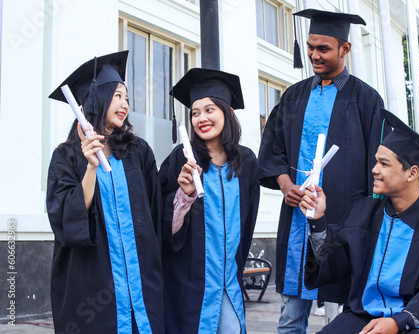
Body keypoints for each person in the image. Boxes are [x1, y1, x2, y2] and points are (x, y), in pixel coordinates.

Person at [258, 9, 388, 333]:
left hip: (343, 223)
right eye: (311, 46)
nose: (314, 54)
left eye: (323, 48)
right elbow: (273, 150)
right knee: (290, 317)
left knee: (342, 316)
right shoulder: (293, 97)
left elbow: (379, 167)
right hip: (297, 222)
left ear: (345, 48)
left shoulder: (367, 100)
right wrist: (286, 184)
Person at [300, 109, 419, 333]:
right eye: (376, 162)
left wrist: (398, 321)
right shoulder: (363, 212)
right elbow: (337, 265)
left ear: (412, 173)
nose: (374, 169)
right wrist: (318, 221)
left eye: (384, 164)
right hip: (364, 315)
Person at [46, 51, 164, 333]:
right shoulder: (66, 157)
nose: (125, 104)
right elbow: (66, 220)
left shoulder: (138, 152)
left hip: (141, 287)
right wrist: (90, 168)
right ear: (96, 99)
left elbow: (154, 214)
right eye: (117, 96)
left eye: (126, 97)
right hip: (93, 293)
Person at [159, 68, 260, 334]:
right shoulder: (181, 159)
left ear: (228, 113)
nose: (201, 118)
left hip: (230, 281)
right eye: (194, 112)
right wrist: (184, 195)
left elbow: (247, 223)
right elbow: (163, 225)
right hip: (191, 283)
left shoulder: (247, 162)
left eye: (209, 109)